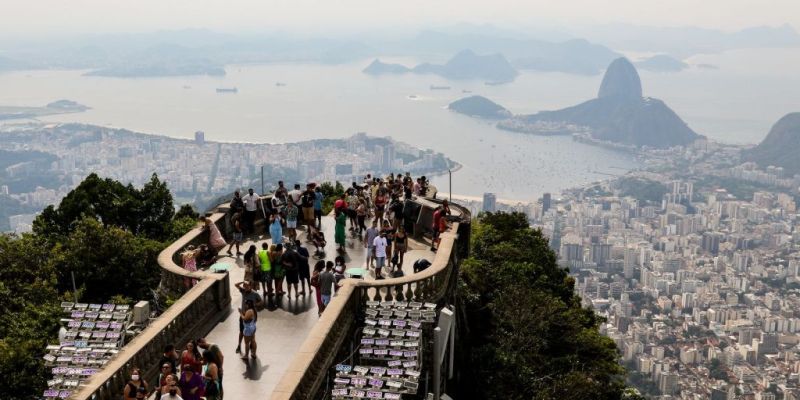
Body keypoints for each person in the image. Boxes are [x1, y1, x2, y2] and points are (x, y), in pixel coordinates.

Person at [234, 281, 263, 354]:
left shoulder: (255, 294)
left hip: (251, 316)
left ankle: (251, 345)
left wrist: (255, 305)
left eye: (247, 286)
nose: (245, 287)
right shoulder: (243, 291)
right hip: (243, 314)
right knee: (241, 331)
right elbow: (236, 285)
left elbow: (261, 302)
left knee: (252, 332)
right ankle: (239, 345)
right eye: (244, 286)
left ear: (250, 286)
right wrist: (242, 282)